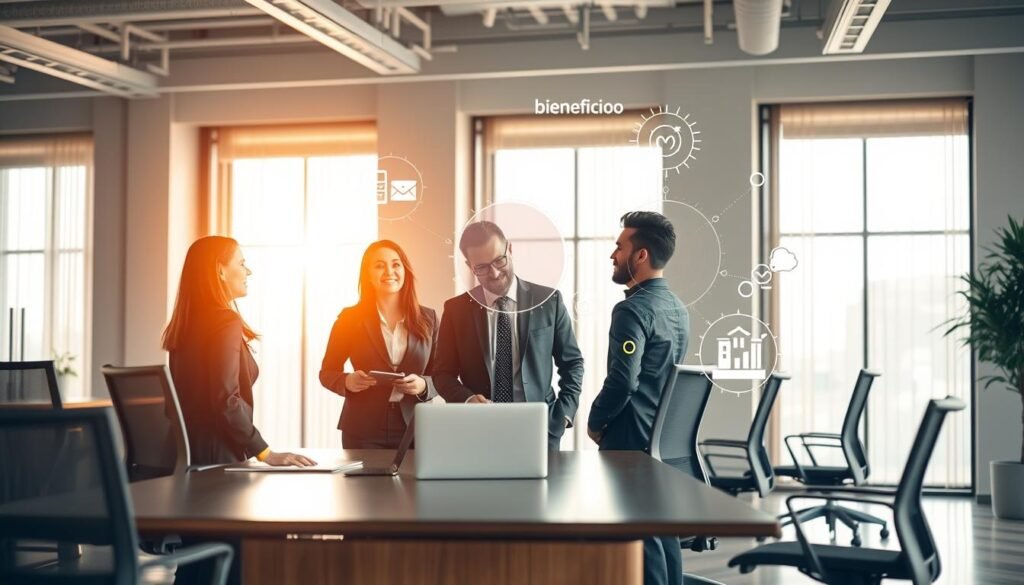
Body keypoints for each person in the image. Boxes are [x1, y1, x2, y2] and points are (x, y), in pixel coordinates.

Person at [162, 236, 314, 585]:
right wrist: (264, 451)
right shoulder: (224, 322)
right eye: (241, 263)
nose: (249, 271)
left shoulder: (187, 323)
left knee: (199, 565)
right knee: (238, 560)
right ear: (219, 271)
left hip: (190, 465)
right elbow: (225, 400)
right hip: (219, 466)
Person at [587, 211, 689, 585]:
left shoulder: (632, 309)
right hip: (661, 439)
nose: (613, 255)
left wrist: (596, 422)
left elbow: (623, 381)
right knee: (661, 527)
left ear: (640, 255)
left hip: (629, 439)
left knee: (637, 537)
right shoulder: (677, 309)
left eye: (619, 246)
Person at [433, 220, 583, 450]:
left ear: (510, 249)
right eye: (481, 267)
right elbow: (443, 374)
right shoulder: (456, 310)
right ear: (469, 265)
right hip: (479, 431)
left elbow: (572, 363)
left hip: (540, 429)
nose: (493, 273)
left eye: (498, 261)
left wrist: (562, 416)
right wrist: (466, 398)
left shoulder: (549, 301)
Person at [319, 240, 439, 448]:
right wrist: (347, 381)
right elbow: (327, 372)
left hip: (416, 428)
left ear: (405, 270)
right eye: (379, 265)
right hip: (362, 430)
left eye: (395, 264)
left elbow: (442, 375)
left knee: (414, 481)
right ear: (367, 274)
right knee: (364, 482)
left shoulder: (429, 318)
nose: (389, 271)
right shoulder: (349, 319)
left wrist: (423, 385)